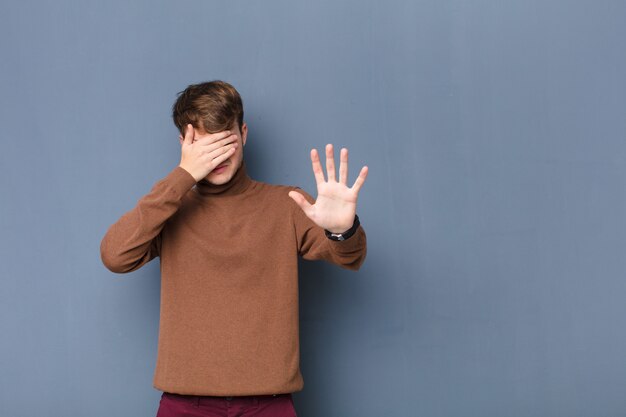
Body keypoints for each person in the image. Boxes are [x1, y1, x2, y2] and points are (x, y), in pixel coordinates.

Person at [100, 80, 368, 417]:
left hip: (269, 405)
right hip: (184, 404)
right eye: (204, 146)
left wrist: (342, 229)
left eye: (225, 141)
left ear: (243, 134)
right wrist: (182, 177)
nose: (217, 157)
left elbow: (350, 256)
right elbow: (115, 255)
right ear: (184, 144)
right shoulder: (169, 208)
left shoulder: (285, 205)